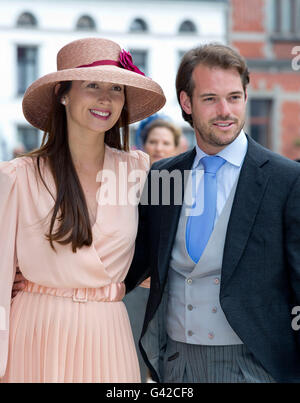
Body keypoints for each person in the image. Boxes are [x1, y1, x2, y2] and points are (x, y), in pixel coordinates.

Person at [125, 43, 300, 383]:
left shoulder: (286, 180)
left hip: (255, 366)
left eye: (234, 97)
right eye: (210, 99)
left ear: (246, 97)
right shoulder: (165, 176)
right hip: (174, 365)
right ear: (186, 103)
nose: (225, 110)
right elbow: (135, 259)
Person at [0, 37, 165, 383]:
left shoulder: (139, 171)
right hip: (36, 333)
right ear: (63, 93)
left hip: (109, 333)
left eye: (116, 88)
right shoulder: (17, 177)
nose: (105, 98)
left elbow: (169, 252)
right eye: (92, 85)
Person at [123, 116, 182, 382]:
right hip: (136, 289)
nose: (159, 147)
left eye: (165, 142)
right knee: (133, 359)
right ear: (143, 144)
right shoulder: (127, 184)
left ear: (176, 146)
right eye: (153, 141)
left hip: (173, 291)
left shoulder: (185, 185)